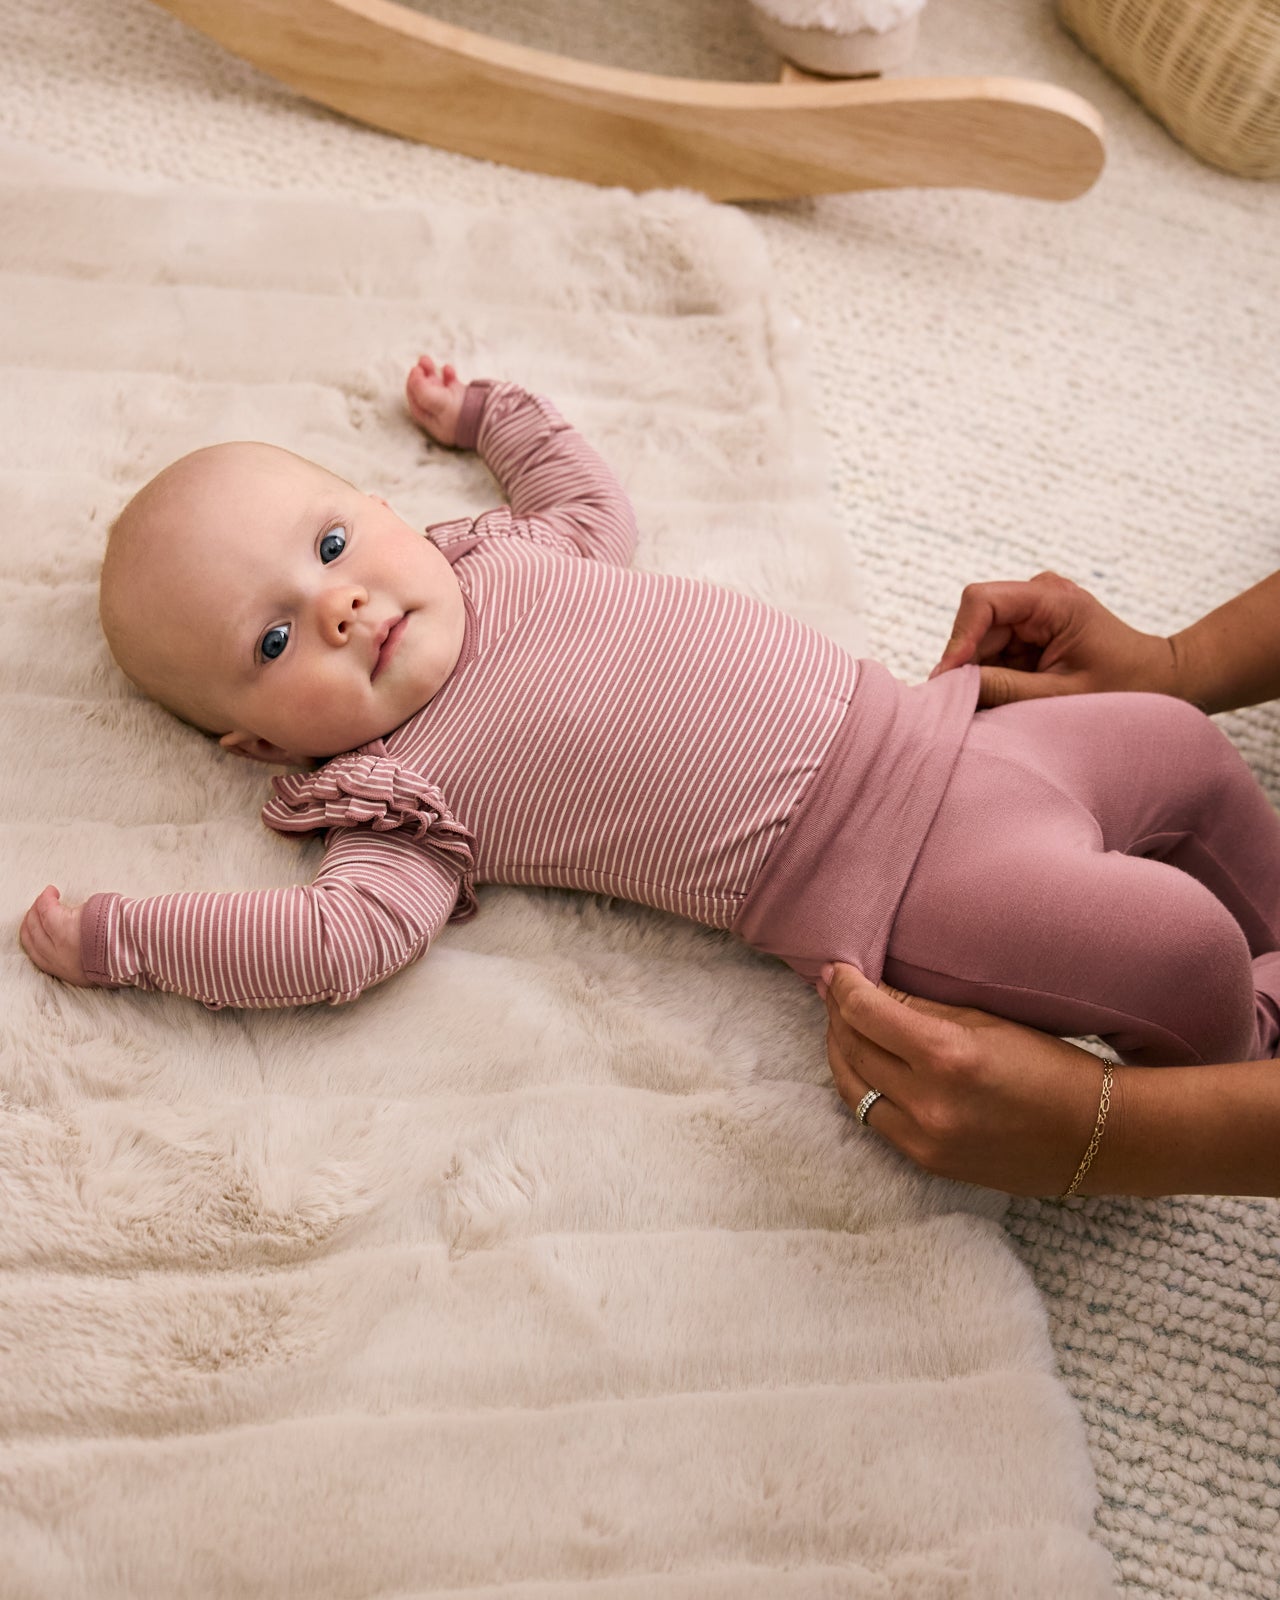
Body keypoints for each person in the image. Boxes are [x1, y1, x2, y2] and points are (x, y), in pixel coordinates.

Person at [17, 361, 1280, 1124]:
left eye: (333, 545)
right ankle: (1241, 1054)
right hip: (905, 885)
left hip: (952, 734)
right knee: (1176, 945)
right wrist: (127, 938)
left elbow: (585, 496)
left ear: (388, 511)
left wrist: (489, 412)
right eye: (274, 642)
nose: (334, 605)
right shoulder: (399, 795)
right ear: (250, 746)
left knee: (1180, 745)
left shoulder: (507, 552)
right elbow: (331, 944)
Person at [821, 568, 1280, 1198]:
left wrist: (1117, 1130)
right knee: (1190, 771)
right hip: (913, 813)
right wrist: (1177, 662)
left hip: (927, 801)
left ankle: (1257, 1038)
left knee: (1188, 957)